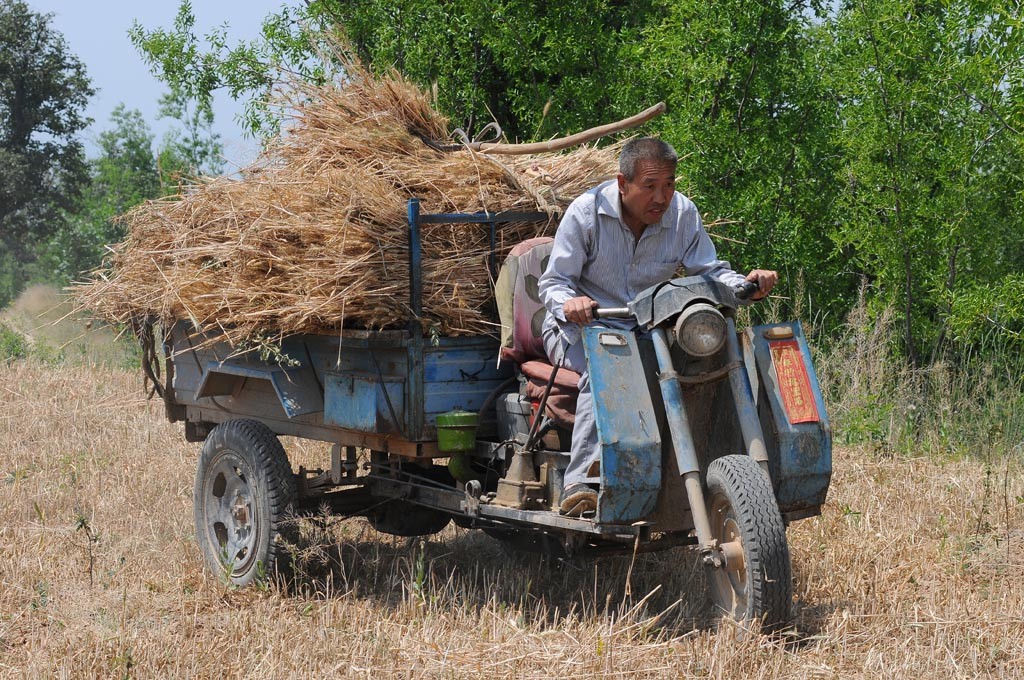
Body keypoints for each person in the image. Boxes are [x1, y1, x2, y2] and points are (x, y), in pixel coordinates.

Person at [538, 137, 778, 517]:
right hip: (580, 330)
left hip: (648, 331)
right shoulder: (586, 213)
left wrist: (746, 285)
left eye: (668, 185)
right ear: (622, 183)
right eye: (649, 186)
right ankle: (580, 482)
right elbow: (554, 282)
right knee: (606, 373)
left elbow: (710, 271)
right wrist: (571, 304)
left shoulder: (683, 214)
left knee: (704, 368)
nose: (661, 197)